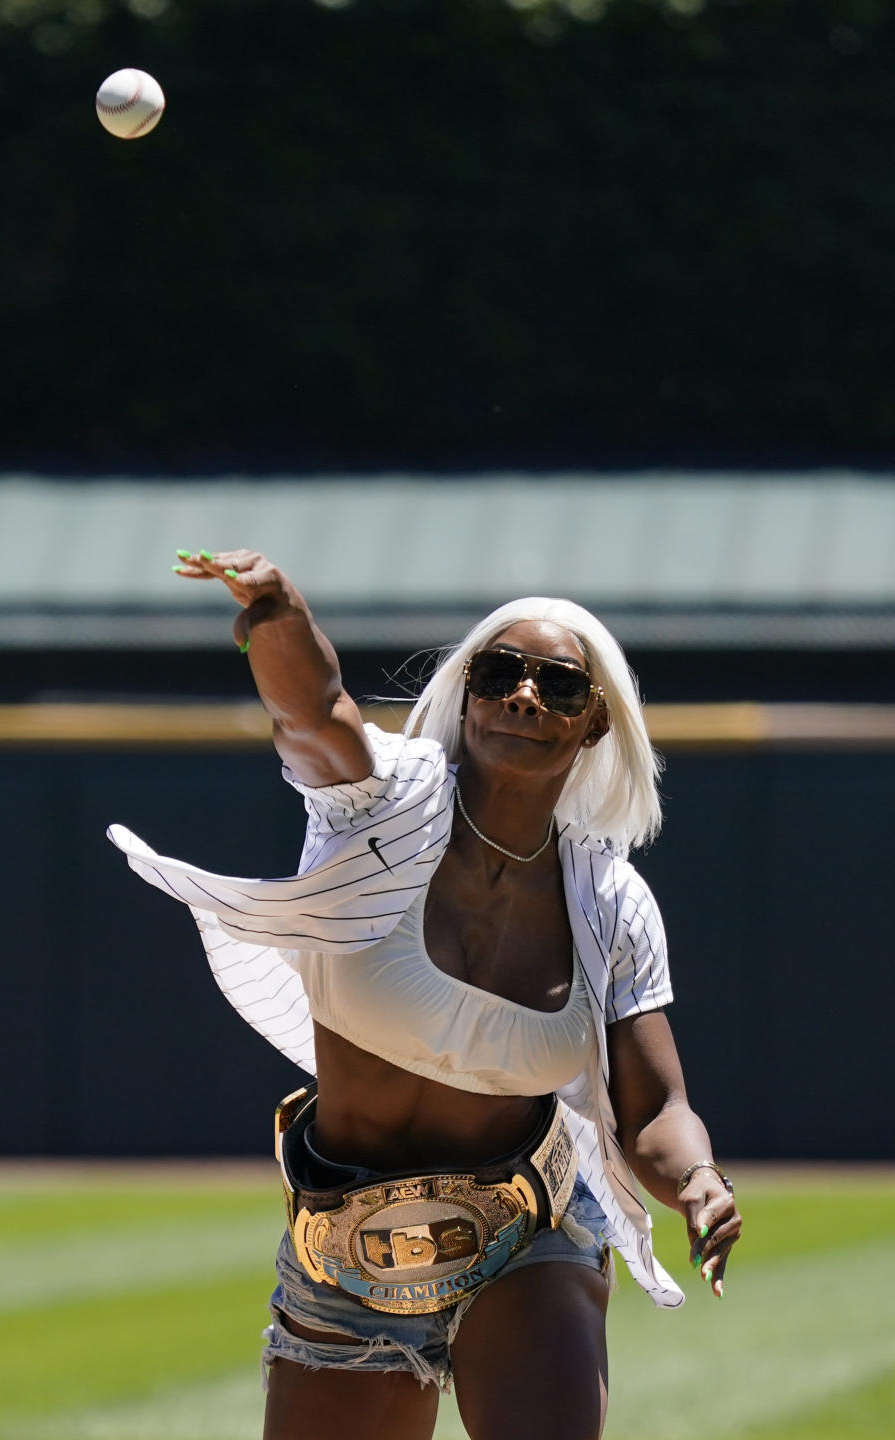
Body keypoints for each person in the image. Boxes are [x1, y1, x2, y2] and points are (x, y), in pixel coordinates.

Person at [109, 549, 742, 1440]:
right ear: (469, 692)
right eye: (500, 672)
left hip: (531, 1230)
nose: (524, 696)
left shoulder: (611, 903)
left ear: (594, 723)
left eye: (559, 685)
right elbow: (313, 712)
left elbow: (653, 1110)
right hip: (347, 1247)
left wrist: (701, 1181)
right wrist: (278, 609)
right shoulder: (385, 803)